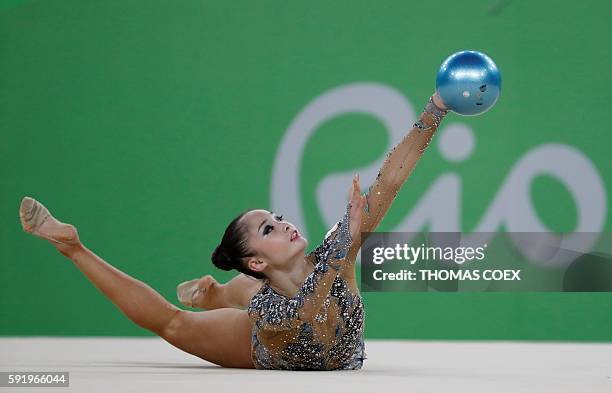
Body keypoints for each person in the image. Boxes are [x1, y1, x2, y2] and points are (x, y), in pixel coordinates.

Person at [19, 92, 449, 370]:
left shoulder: (333, 254)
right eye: (269, 228)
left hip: (310, 315)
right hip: (267, 354)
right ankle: (71, 246)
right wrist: (348, 237)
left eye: (279, 218)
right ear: (255, 258)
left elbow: (389, 183)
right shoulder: (266, 315)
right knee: (173, 323)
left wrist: (435, 110)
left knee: (252, 287)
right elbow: (307, 306)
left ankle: (215, 294)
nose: (284, 223)